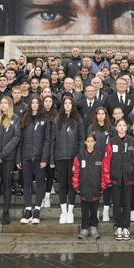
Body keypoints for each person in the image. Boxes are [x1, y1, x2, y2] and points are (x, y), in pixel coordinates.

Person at [50, 95, 84, 224]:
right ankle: (63, 211)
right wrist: (52, 157)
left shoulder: (78, 120)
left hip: (73, 157)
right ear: (63, 106)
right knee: (62, 184)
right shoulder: (57, 119)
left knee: (72, 185)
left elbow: (82, 139)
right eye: (66, 103)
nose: (68, 105)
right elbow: (52, 139)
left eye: (70, 103)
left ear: (73, 105)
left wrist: (79, 157)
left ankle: (70, 211)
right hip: (60, 157)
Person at [0, 96, 21, 225]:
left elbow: (16, 138)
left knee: (7, 184)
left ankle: (6, 212)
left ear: (10, 105)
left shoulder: (15, 119)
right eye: (2, 103)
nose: (3, 105)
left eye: (6, 103)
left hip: (8, 158)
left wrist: (3, 154)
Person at [17, 96, 50, 224]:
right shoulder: (24, 119)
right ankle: (28, 209)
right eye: (33, 103)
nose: (35, 105)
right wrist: (18, 157)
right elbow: (20, 140)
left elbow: (47, 141)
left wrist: (44, 158)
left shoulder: (45, 119)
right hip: (26, 157)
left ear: (39, 105)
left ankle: (37, 210)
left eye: (37, 103)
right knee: (26, 183)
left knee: (40, 183)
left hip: (39, 157)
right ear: (30, 105)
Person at [106, 118, 134, 241]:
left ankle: (126, 226)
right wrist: (107, 177)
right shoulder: (111, 142)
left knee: (127, 203)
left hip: (129, 178)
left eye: (123, 125)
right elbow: (107, 161)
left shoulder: (132, 141)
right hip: (115, 178)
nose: (121, 127)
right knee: (116, 203)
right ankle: (118, 226)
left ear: (127, 127)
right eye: (119, 125)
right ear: (116, 127)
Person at [72, 133, 111, 239]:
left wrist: (103, 186)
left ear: (95, 142)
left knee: (94, 209)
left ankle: (94, 227)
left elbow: (105, 172)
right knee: (84, 210)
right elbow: (76, 172)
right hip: (84, 188)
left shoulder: (100, 156)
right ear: (85, 142)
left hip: (96, 189)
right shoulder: (80, 156)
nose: (90, 143)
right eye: (88, 141)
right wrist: (76, 186)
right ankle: (84, 228)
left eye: (91, 141)